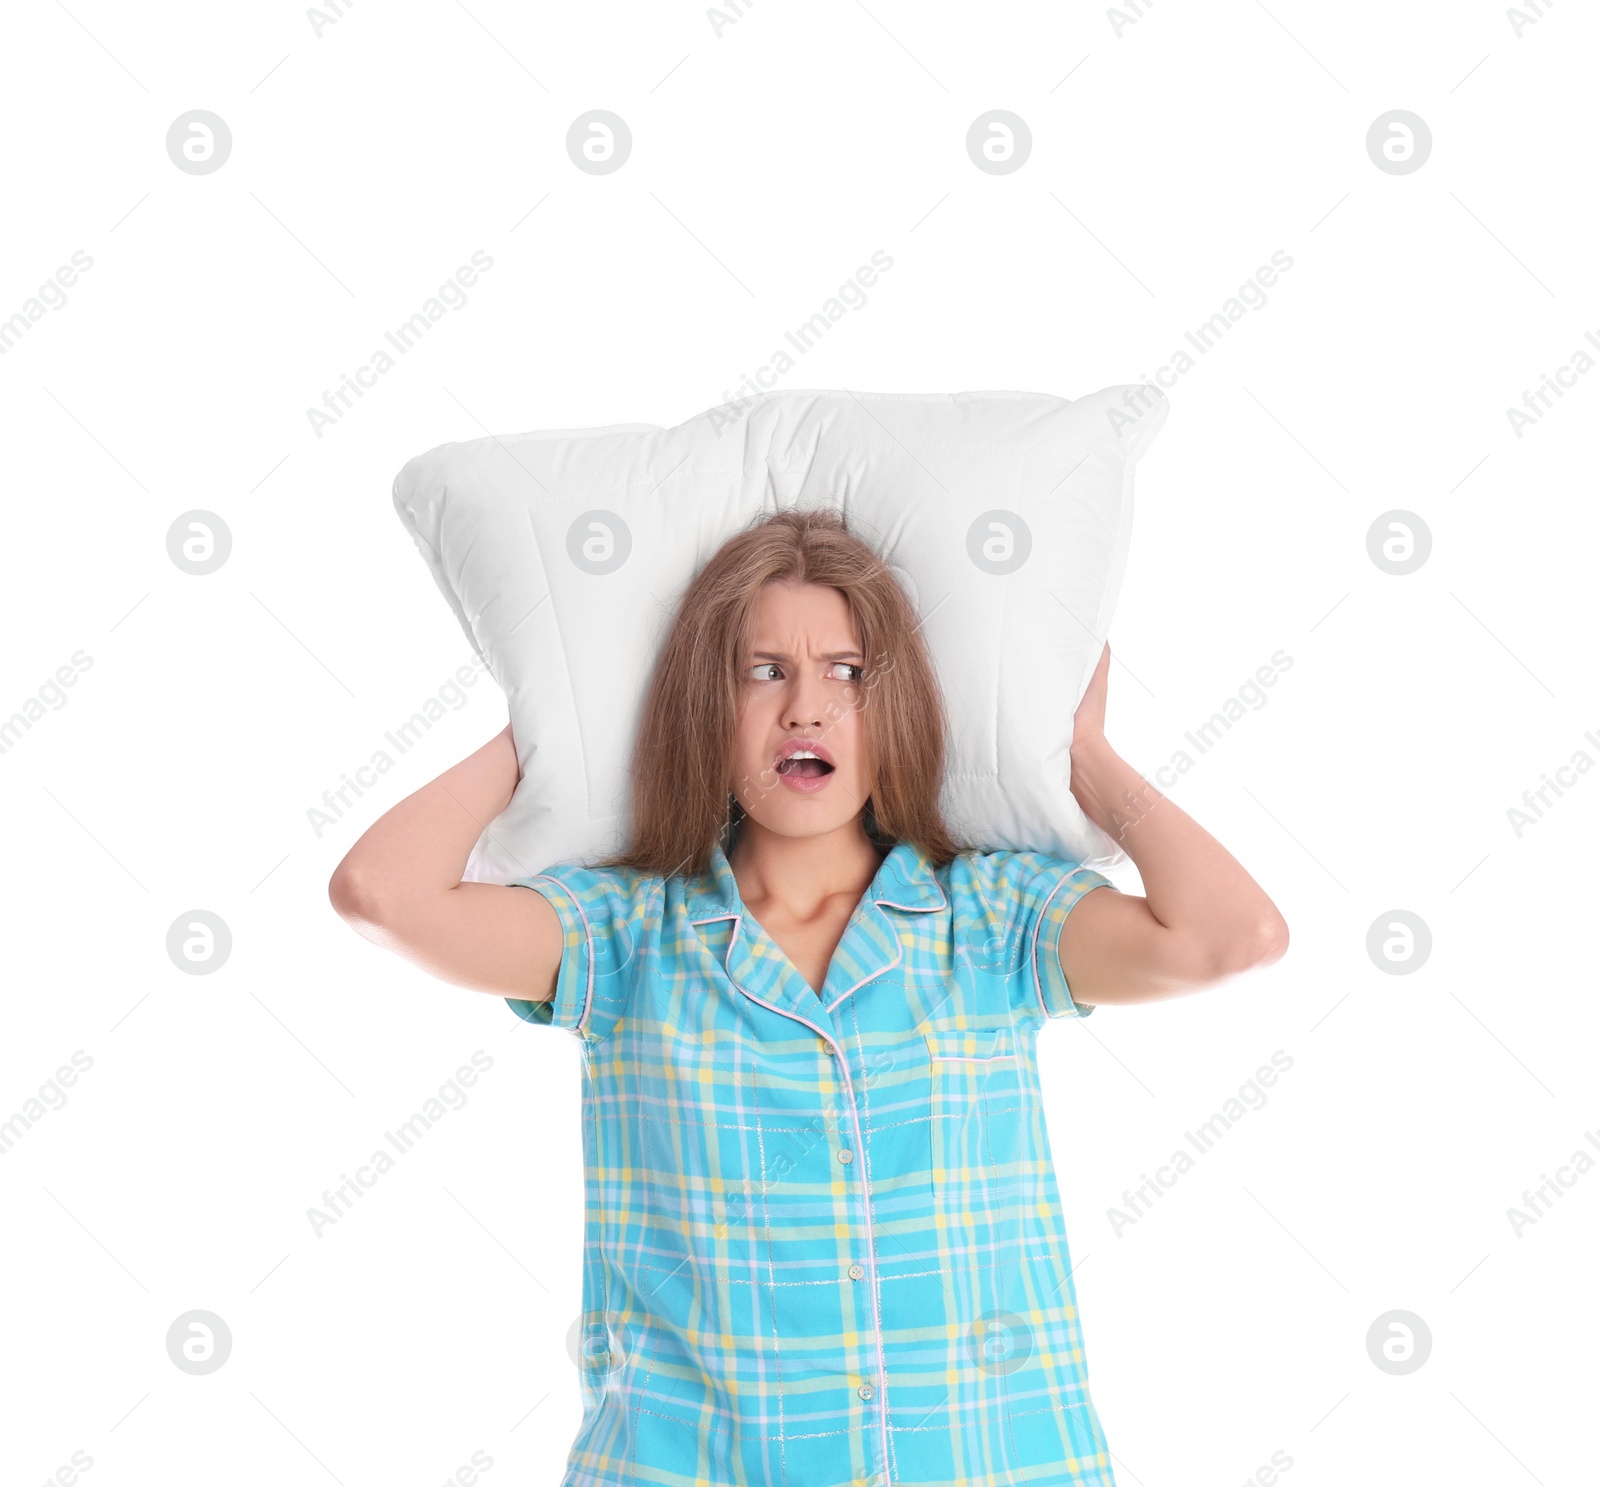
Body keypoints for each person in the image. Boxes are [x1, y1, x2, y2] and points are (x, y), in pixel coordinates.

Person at [329, 506, 1288, 1487]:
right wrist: (552, 728)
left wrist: (1081, 749)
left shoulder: (993, 917)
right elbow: (381, 894)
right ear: (707, 705)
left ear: (894, 705)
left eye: (848, 671)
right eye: (760, 671)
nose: (805, 707)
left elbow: (1232, 937)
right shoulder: (622, 936)